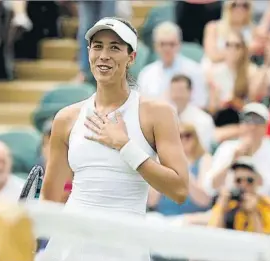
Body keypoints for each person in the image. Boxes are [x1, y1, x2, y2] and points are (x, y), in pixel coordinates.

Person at [38, 17, 189, 261]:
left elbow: (180, 190)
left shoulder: (157, 114)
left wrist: (125, 147)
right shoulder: (65, 119)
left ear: (132, 57)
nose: (104, 55)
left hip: (125, 248)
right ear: (88, 53)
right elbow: (50, 199)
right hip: (69, 248)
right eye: (97, 46)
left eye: (115, 47)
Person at [208, 157, 270, 234]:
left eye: (249, 181)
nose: (243, 185)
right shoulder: (228, 203)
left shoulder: (269, 207)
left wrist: (253, 213)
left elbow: (265, 242)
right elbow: (212, 235)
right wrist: (221, 210)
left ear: (259, 182)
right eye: (238, 180)